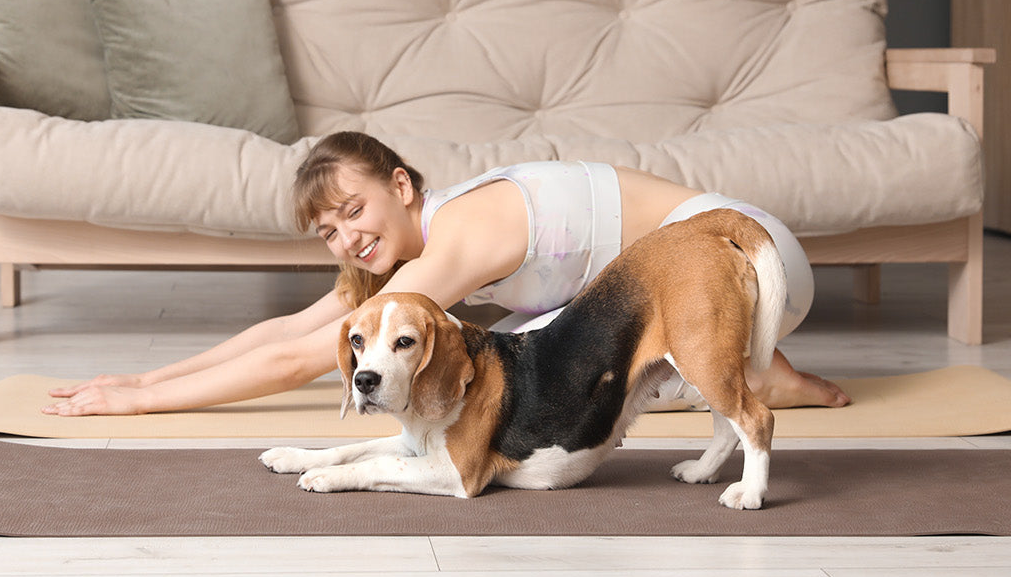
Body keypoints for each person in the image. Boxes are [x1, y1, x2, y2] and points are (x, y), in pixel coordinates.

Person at [45, 131, 851, 416]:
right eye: (327, 231)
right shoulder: (414, 255)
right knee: (521, 356)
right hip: (720, 284)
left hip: (751, 261)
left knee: (522, 379)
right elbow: (292, 330)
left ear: (402, 187)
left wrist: (142, 404)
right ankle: (754, 369)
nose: (346, 237)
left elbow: (303, 361)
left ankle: (749, 370)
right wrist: (148, 371)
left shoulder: (461, 230)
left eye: (354, 211)